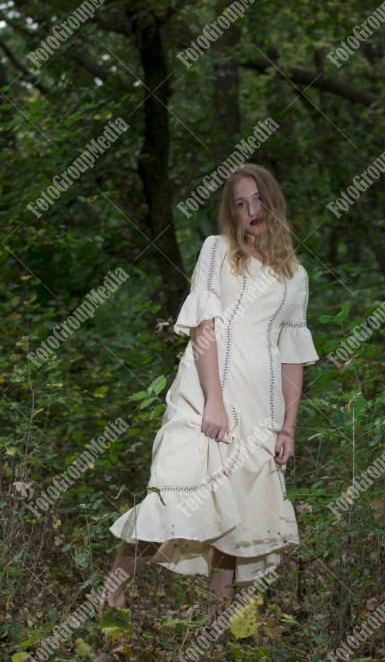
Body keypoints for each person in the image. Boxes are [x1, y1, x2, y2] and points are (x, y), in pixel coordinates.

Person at [101, 163, 319, 626]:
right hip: (205, 392)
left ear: (273, 202)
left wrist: (288, 426)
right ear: (231, 212)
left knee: (234, 513)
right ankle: (110, 598)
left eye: (258, 199)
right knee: (173, 498)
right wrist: (214, 400)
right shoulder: (217, 251)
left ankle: (215, 627)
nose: (251, 211)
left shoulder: (295, 275)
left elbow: (293, 354)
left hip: (263, 405)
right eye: (240, 203)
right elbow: (204, 328)